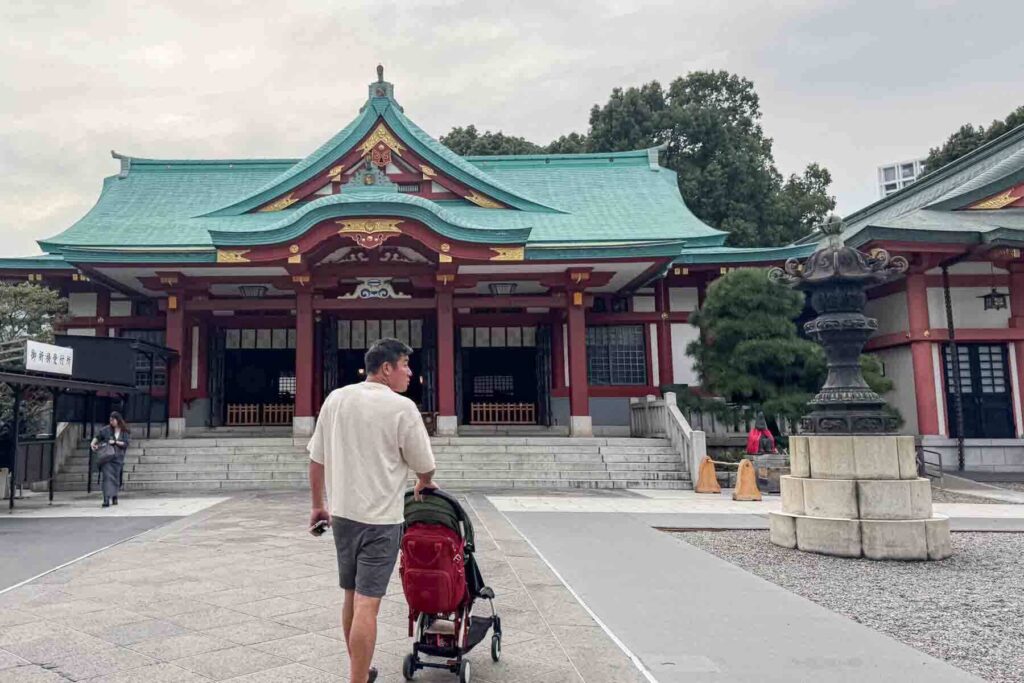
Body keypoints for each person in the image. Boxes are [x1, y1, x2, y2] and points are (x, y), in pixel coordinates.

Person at [308, 338, 437, 683]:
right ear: (386, 369)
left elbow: (316, 458)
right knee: (369, 604)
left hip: (344, 516)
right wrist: (424, 480)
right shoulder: (402, 407)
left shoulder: (336, 399)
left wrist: (318, 506)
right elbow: (424, 463)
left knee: (351, 595)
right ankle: (357, 680)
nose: (410, 373)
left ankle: (360, 671)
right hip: (381, 520)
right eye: (405, 365)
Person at [90, 411, 130, 508]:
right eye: (110, 420)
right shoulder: (106, 430)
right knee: (107, 477)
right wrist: (93, 443)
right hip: (107, 457)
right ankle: (106, 498)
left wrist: (116, 442)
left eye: (113, 420)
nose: (111, 422)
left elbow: (126, 444)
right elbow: (98, 436)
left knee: (115, 478)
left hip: (118, 458)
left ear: (118, 420)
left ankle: (114, 495)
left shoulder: (124, 431)